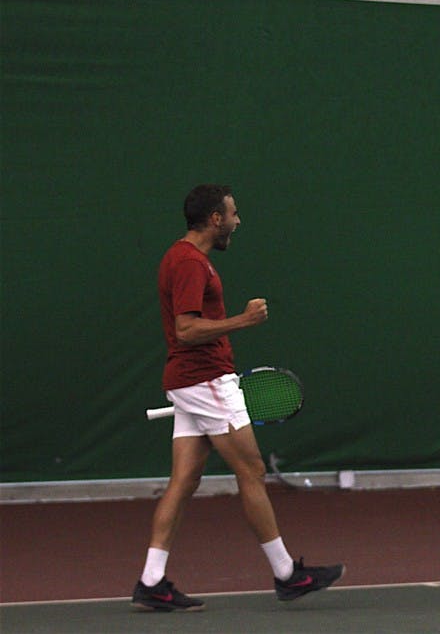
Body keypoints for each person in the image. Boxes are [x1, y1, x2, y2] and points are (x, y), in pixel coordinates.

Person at [132, 184, 344, 611]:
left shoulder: (181, 257)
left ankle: (151, 580)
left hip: (190, 382)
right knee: (251, 469)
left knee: (184, 481)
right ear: (215, 218)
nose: (237, 221)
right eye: (233, 213)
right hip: (206, 381)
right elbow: (186, 330)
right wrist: (244, 321)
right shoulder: (191, 263)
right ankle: (287, 574)